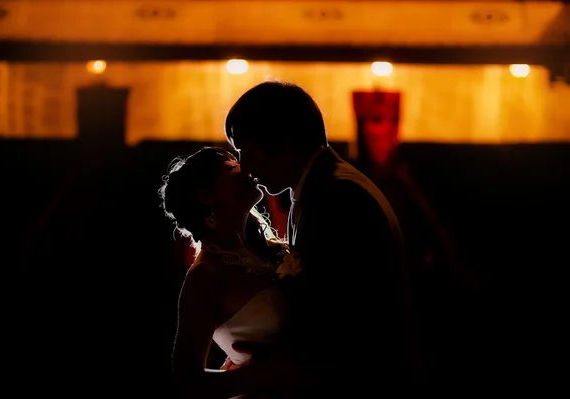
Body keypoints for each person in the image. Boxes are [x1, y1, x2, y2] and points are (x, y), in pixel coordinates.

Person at [222, 80, 425, 397]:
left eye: (246, 151)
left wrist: (261, 366)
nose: (244, 167)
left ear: (280, 140)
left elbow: (334, 323)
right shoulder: (322, 188)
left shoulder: (335, 196)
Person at [160, 146, 300, 399]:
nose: (246, 168)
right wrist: (264, 373)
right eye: (232, 168)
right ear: (206, 195)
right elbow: (187, 380)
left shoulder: (269, 251)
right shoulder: (206, 276)